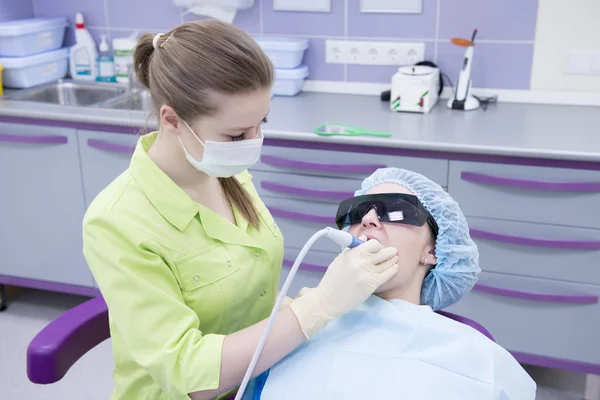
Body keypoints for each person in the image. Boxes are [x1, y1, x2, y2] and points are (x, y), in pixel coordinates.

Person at [81, 20, 400, 400]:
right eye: (236, 136)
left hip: (260, 378)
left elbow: (248, 289)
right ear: (171, 120)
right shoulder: (116, 223)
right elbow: (189, 376)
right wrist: (318, 307)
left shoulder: (223, 171)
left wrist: (317, 304)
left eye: (260, 123)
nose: (254, 143)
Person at [244, 168, 537, 400]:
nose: (368, 218)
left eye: (396, 210)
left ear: (434, 251)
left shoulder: (478, 357)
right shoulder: (295, 324)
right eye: (357, 211)